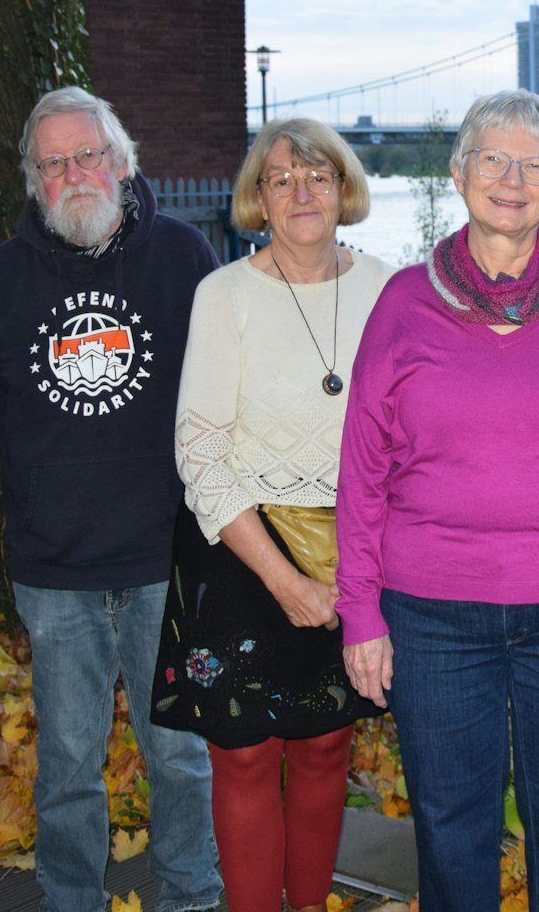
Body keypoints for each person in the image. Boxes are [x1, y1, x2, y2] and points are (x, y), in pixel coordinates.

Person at [337, 90, 539, 912]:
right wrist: (361, 611)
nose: (512, 179)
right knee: (449, 831)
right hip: (433, 613)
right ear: (458, 173)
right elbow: (364, 468)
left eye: (534, 164)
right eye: (493, 159)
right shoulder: (404, 303)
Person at [0, 86, 223, 912]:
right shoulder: (5, 273)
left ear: (121, 161)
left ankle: (189, 894)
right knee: (68, 764)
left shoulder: (185, 258)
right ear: (34, 179)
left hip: (165, 556)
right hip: (55, 568)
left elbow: (219, 392)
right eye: (54, 163)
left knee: (182, 753)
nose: (75, 173)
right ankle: (70, 899)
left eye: (88, 155)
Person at [150, 118, 392, 912]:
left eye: (317, 175)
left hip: (353, 546)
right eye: (281, 178)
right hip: (240, 544)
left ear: (343, 187)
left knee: (326, 745)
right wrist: (284, 577)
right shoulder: (224, 295)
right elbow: (201, 450)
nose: (301, 191)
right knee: (246, 755)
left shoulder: (387, 290)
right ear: (257, 197)